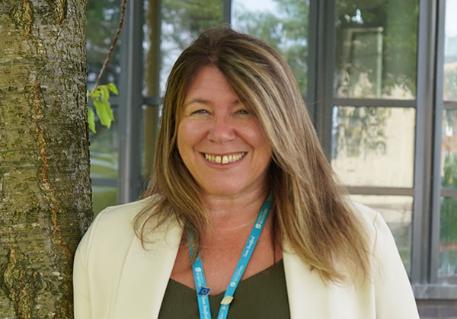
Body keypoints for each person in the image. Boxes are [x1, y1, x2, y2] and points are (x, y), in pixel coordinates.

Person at [73, 27, 420, 319]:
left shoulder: (359, 240)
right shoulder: (111, 241)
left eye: (244, 111)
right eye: (200, 111)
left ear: (280, 123)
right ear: (175, 126)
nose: (220, 133)